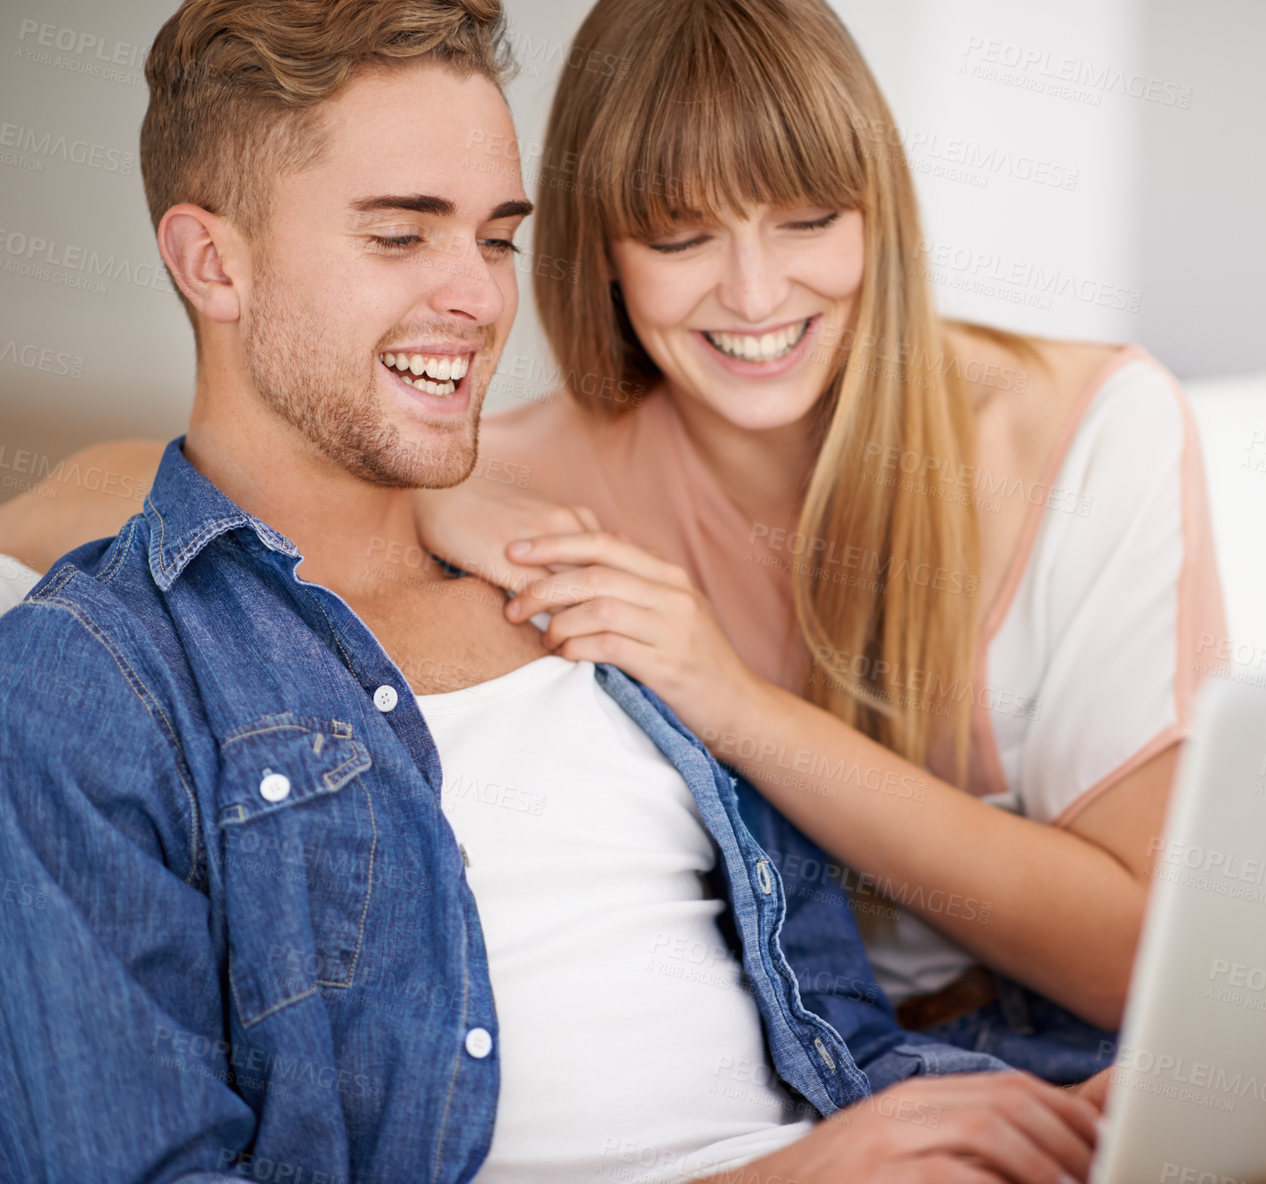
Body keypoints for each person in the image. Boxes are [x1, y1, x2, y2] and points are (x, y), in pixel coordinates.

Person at [0, 2, 1110, 1180]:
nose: (477, 299)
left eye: (493, 238)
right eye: (398, 237)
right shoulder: (90, 684)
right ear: (211, 262)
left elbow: (841, 1033)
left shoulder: (593, 585)